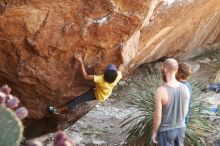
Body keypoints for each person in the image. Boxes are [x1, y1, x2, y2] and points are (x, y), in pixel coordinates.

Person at [48, 52, 123, 114]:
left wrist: (80, 62)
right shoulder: (117, 77)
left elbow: (85, 76)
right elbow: (122, 64)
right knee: (92, 88)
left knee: (79, 99)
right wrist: (121, 53)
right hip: (105, 93)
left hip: (98, 95)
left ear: (105, 74)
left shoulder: (100, 79)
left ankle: (58, 111)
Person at [152, 58, 190, 146]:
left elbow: (157, 115)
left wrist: (154, 132)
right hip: (181, 128)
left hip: (166, 131)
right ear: (176, 70)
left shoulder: (161, 91)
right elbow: (185, 111)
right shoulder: (185, 88)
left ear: (164, 69)